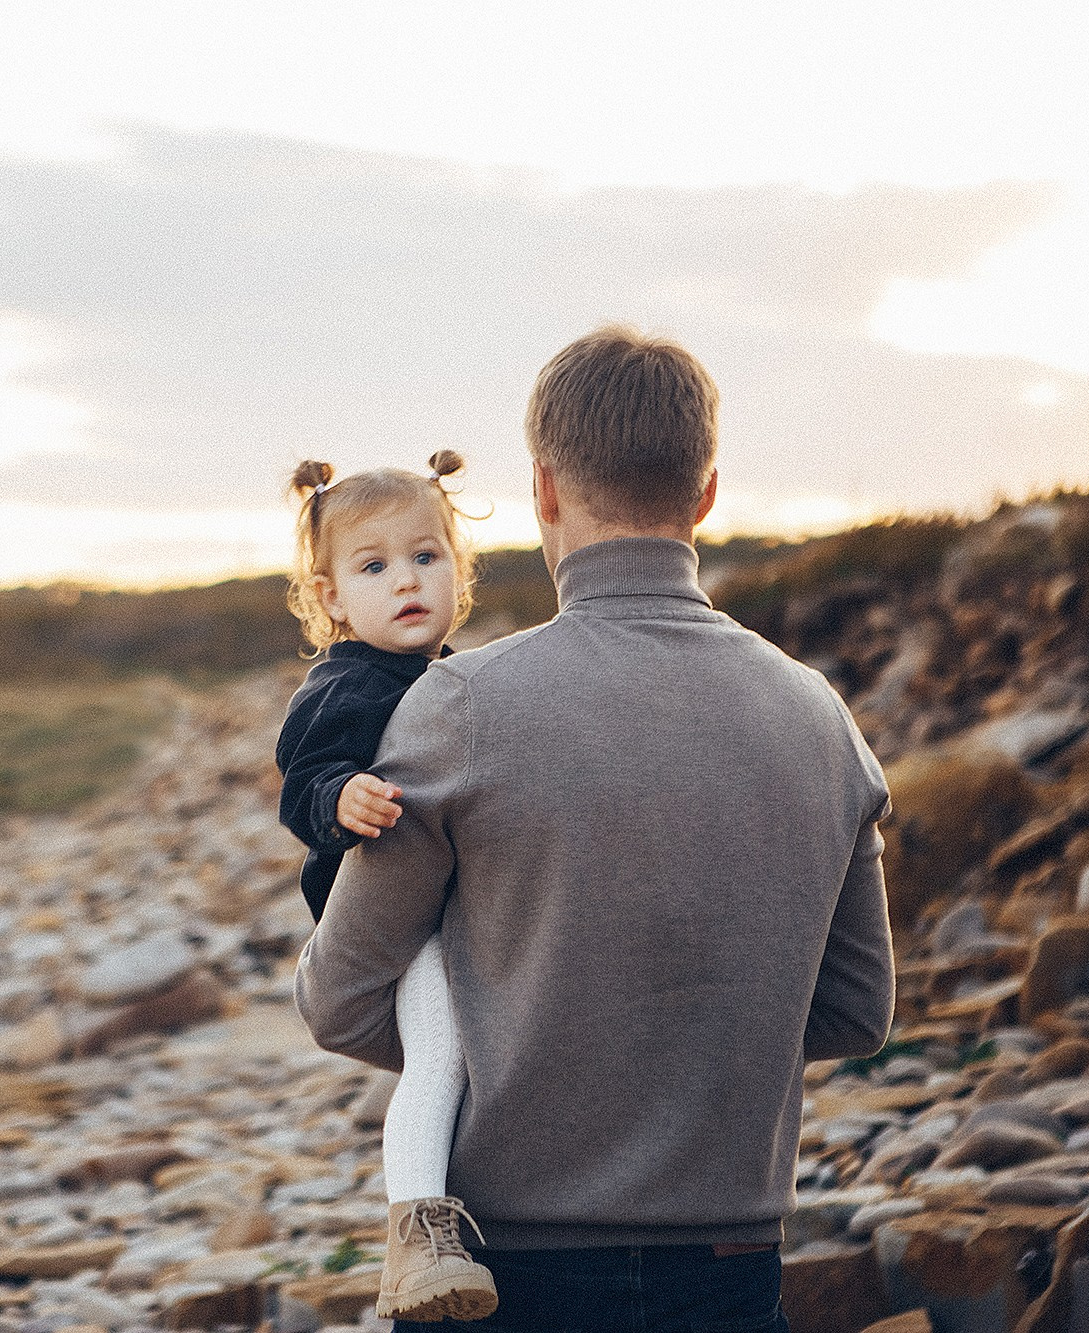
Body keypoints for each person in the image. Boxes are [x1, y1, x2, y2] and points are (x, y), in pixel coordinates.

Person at [296, 326, 896, 1332]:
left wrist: (520, 1040)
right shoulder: (816, 718)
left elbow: (339, 995)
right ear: (704, 492)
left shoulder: (458, 707)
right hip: (731, 1269)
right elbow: (853, 1012)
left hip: (501, 1278)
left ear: (541, 489)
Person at [275, 450, 501, 1322]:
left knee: (478, 1050)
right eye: (374, 567)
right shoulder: (346, 680)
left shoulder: (459, 674)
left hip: (459, 900)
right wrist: (342, 795)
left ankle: (486, 1198)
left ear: (458, 569)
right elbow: (302, 783)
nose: (406, 581)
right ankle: (417, 1233)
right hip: (389, 919)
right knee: (440, 1052)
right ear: (332, 596)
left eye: (426, 556)